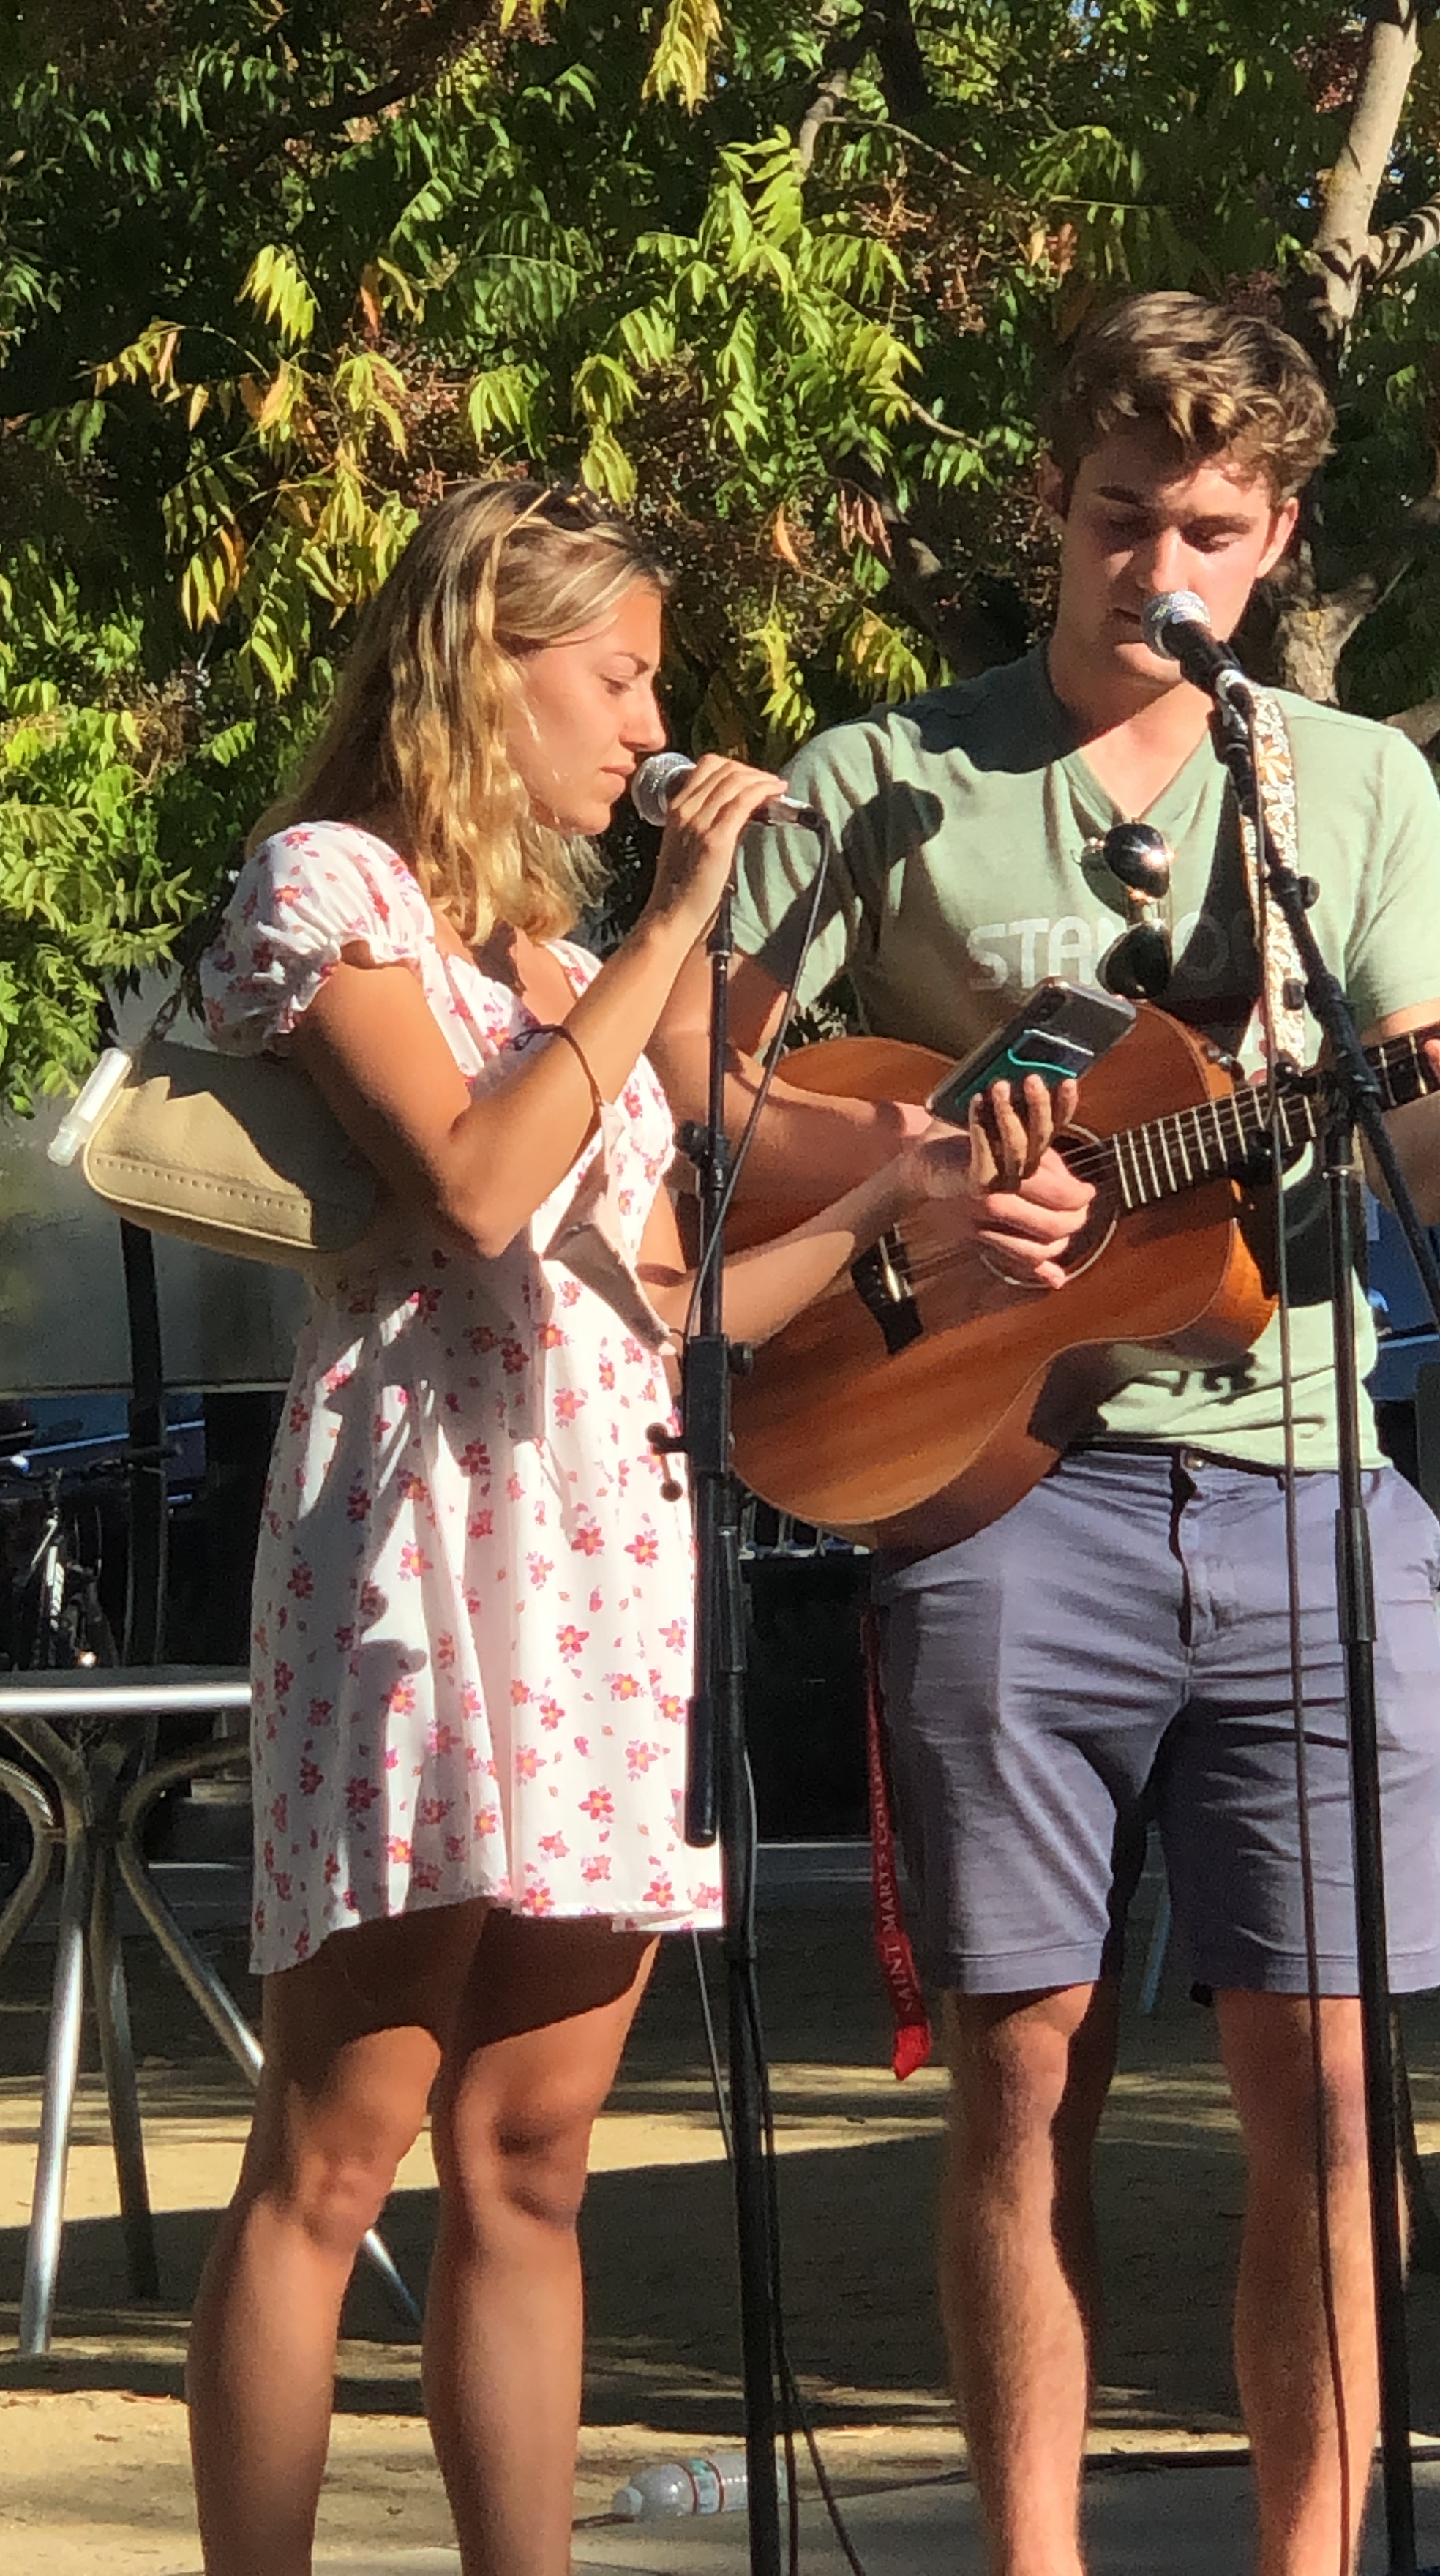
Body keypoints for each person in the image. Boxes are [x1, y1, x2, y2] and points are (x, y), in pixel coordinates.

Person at [648, 293, 1440, 2576]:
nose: (1154, 568)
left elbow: (1399, 1110)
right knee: (1022, 2073)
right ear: (1052, 507)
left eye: (1206, 530)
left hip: (1310, 1482)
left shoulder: (1355, 789)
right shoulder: (886, 774)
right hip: (994, 1483)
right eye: (1117, 518)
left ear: (1275, 536)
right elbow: (689, 1074)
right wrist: (915, 1178)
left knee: (1330, 2090)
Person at [189, 478, 971, 2576]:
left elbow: (668, 1303)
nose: (649, 727)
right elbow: (467, 1187)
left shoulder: (554, 961)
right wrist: (669, 930)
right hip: (426, 1555)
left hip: (607, 1565)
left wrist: (889, 1211)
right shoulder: (333, 885)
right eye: (617, 678)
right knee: (339, 2151)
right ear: (485, 662)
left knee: (530, 2153)